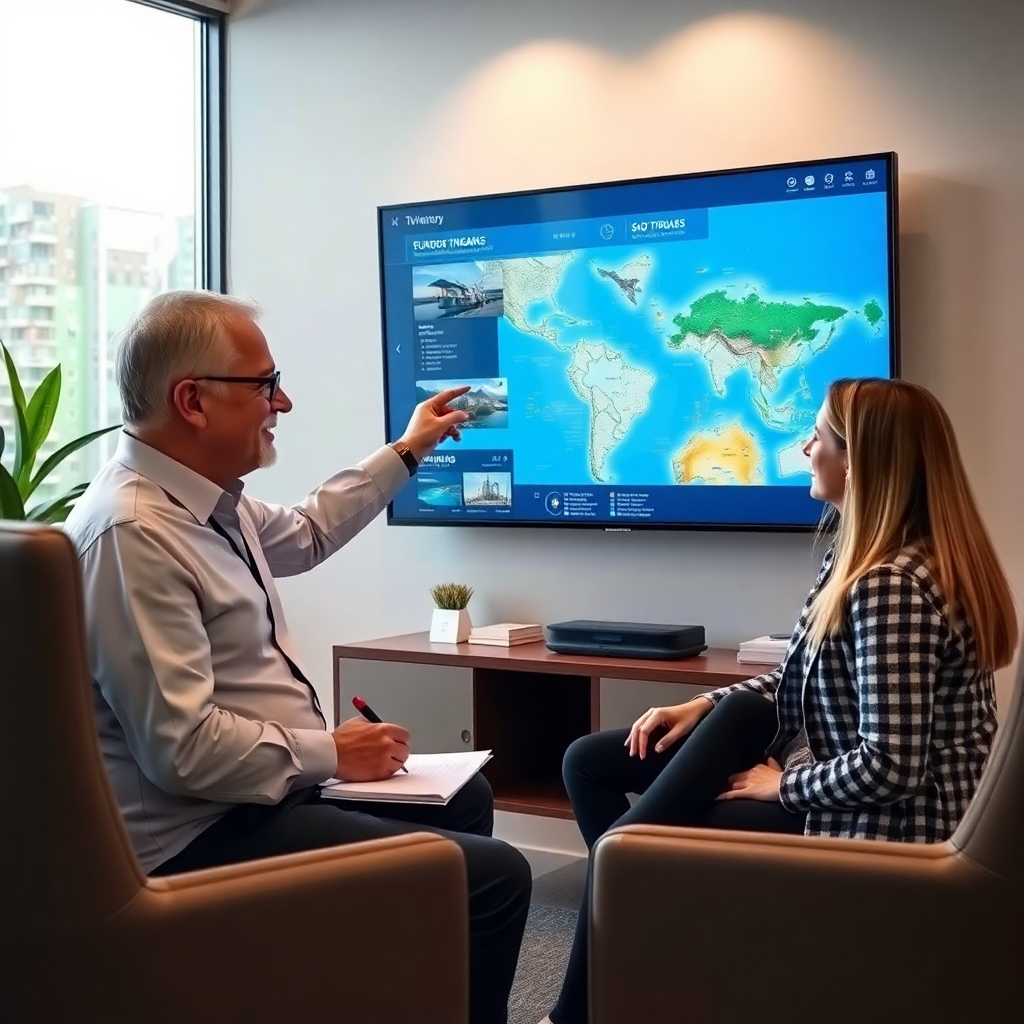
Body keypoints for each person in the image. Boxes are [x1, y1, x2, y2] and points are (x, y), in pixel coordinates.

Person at [64, 290, 531, 1024]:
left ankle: (387, 991)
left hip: (256, 798)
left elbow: (309, 532)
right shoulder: (133, 534)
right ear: (192, 401)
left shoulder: (208, 504)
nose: (282, 403)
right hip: (202, 836)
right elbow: (182, 751)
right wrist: (333, 754)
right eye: (264, 385)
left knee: (464, 798)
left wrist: (409, 447)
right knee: (492, 879)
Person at [540, 376, 1018, 1024]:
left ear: (858, 460)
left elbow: (892, 768)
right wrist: (704, 704)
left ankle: (586, 992)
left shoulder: (891, 586)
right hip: (852, 789)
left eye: (817, 437)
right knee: (590, 763)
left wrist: (781, 788)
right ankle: (645, 923)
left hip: (889, 827)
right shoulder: (864, 558)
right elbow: (803, 676)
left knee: (627, 849)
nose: (804, 448)